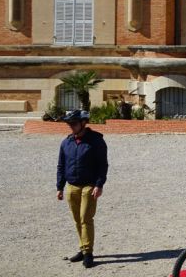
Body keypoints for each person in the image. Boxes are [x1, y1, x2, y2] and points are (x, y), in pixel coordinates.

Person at [56, 109, 109, 269]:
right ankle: (82, 247)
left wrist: (99, 185)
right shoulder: (66, 142)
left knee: (86, 219)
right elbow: (61, 165)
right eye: (69, 124)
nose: (70, 127)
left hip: (89, 186)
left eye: (73, 124)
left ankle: (88, 253)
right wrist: (60, 186)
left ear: (83, 123)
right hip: (72, 186)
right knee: (77, 220)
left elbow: (103, 165)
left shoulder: (96, 141)